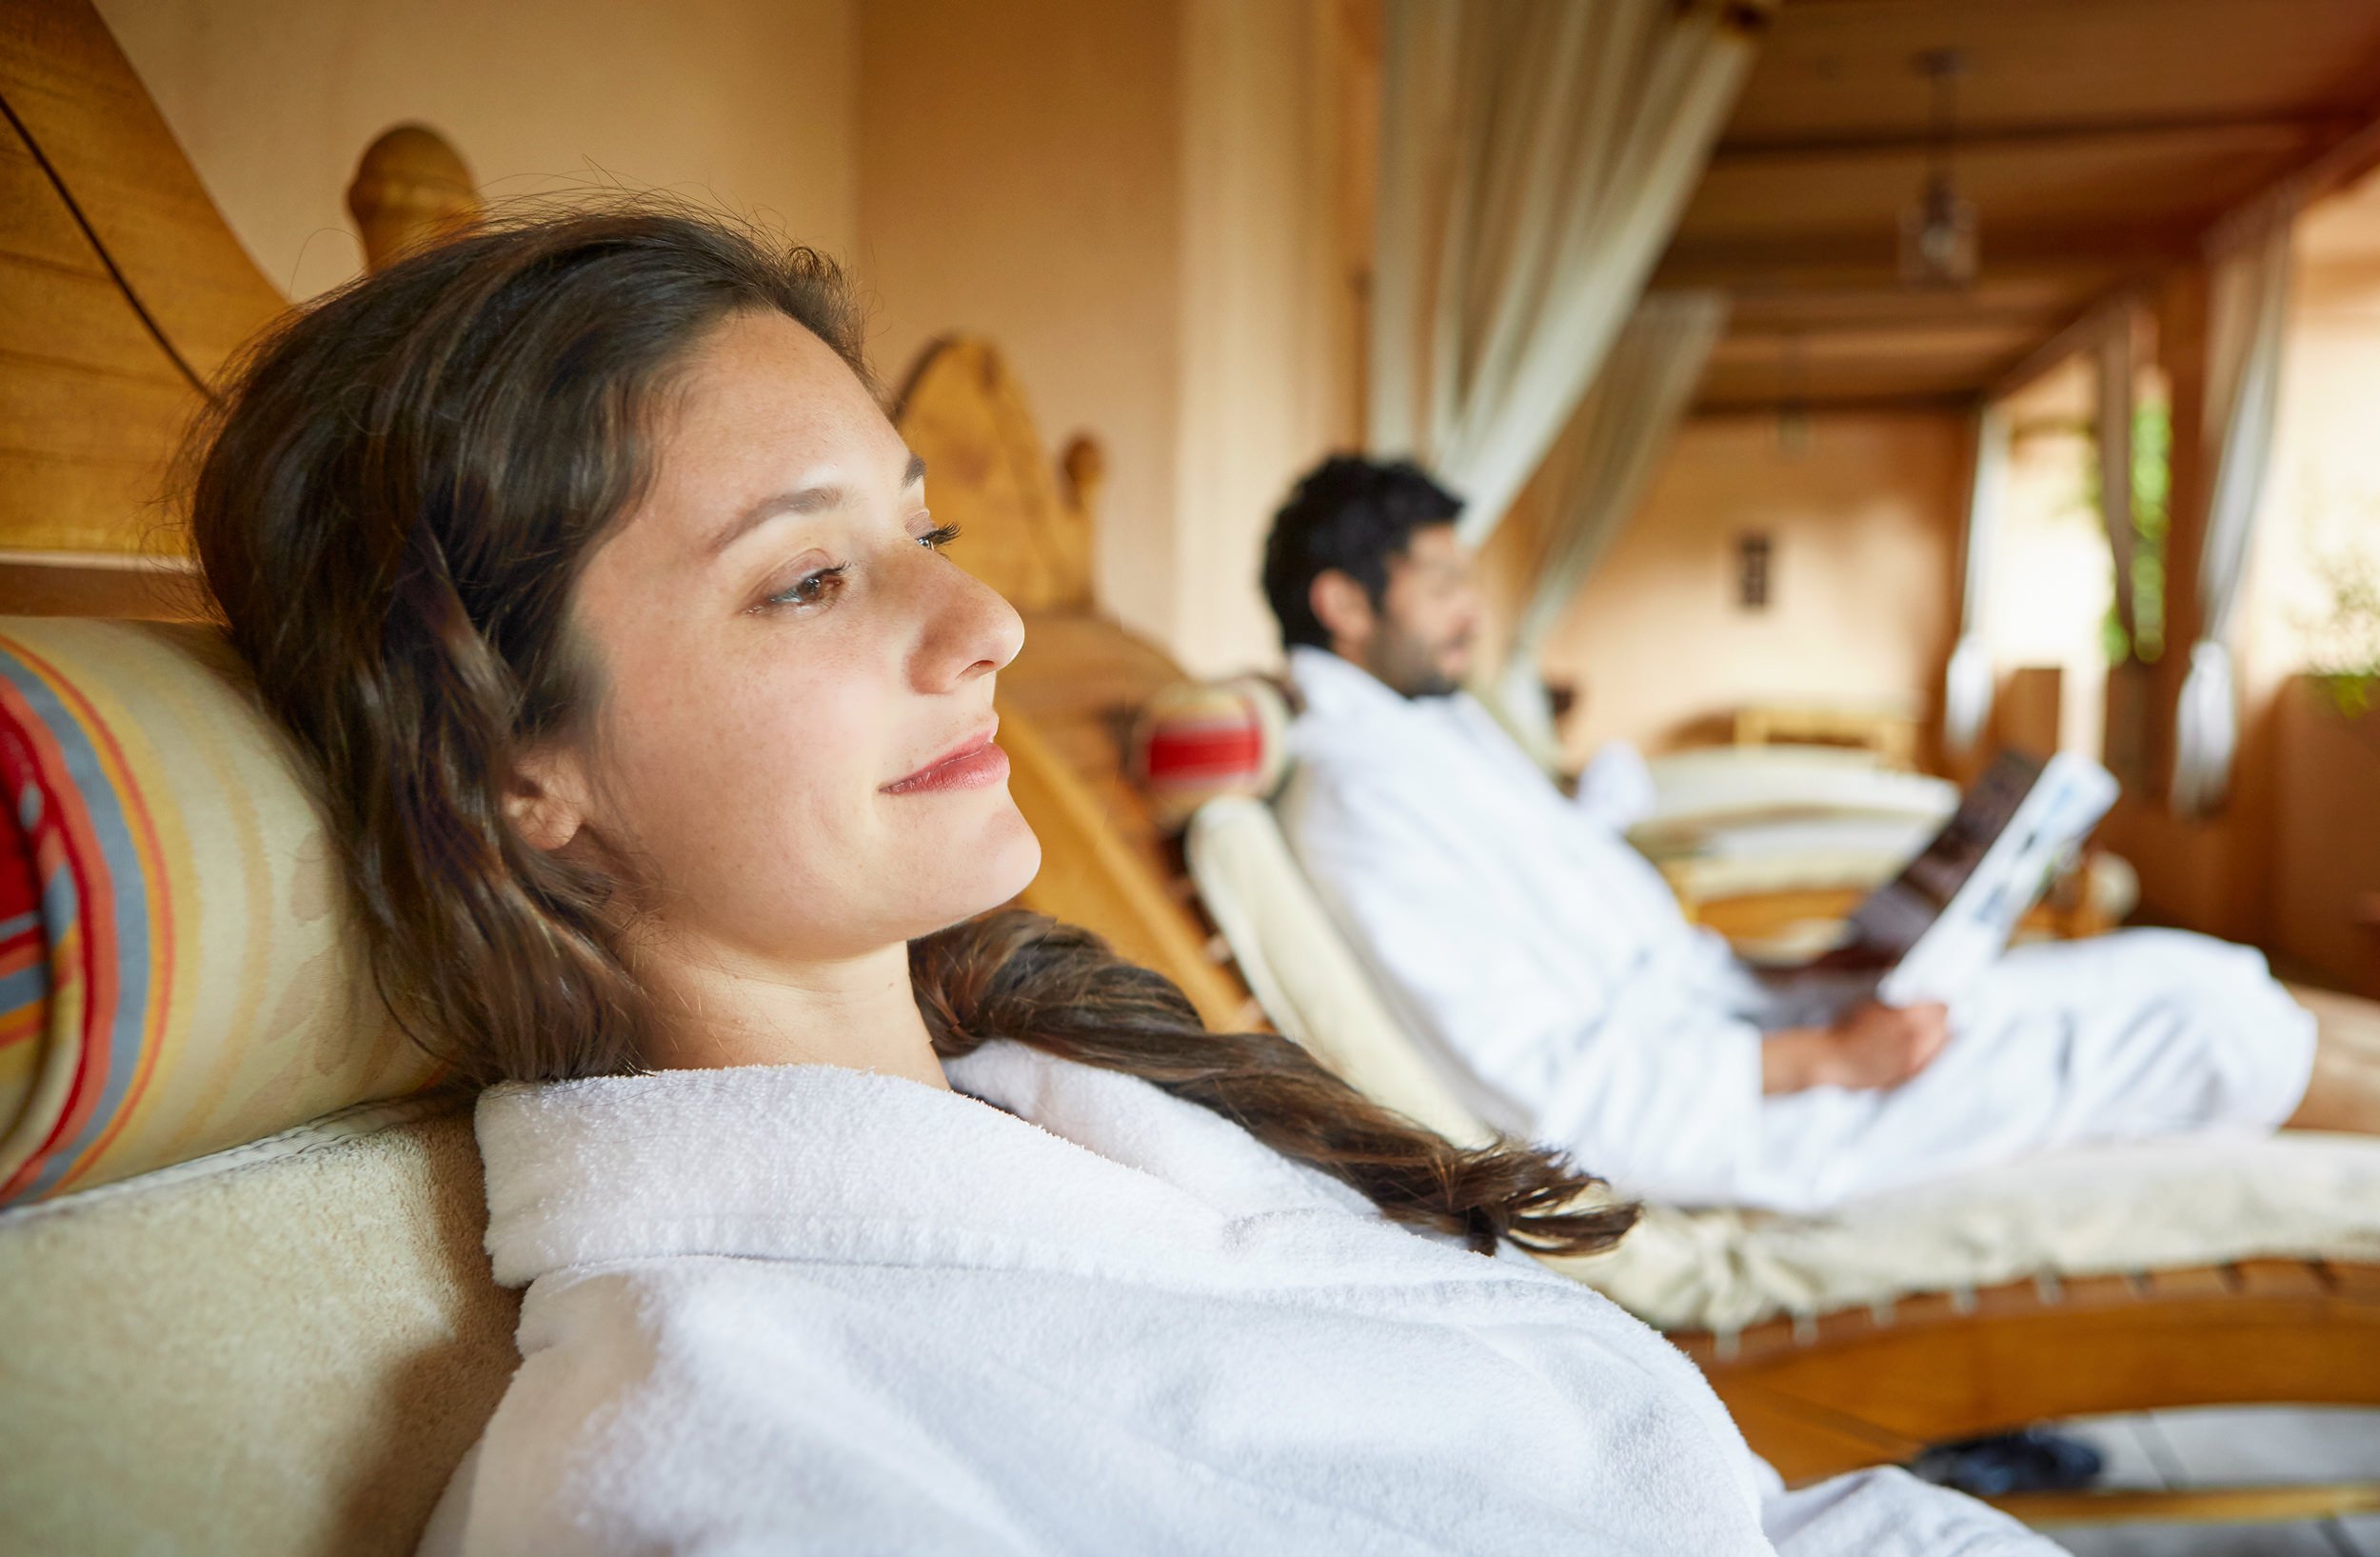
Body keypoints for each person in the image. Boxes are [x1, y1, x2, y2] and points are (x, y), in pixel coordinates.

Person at [185, 207, 2051, 1554]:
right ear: (517, 765)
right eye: (808, 578)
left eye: (922, 530)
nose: (983, 620)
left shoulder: (1069, 1089)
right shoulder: (703, 1458)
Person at [1264, 455, 2380, 1215]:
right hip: (1743, 1122)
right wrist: (1823, 1054)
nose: (1472, 609)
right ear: (1344, 605)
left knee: (2196, 970)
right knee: (2202, 1027)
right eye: (1443, 581)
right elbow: (1555, 1094)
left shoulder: (1426, 743)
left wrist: (1798, 978)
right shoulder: (1364, 800)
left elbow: (1595, 935)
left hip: (1741, 1036)